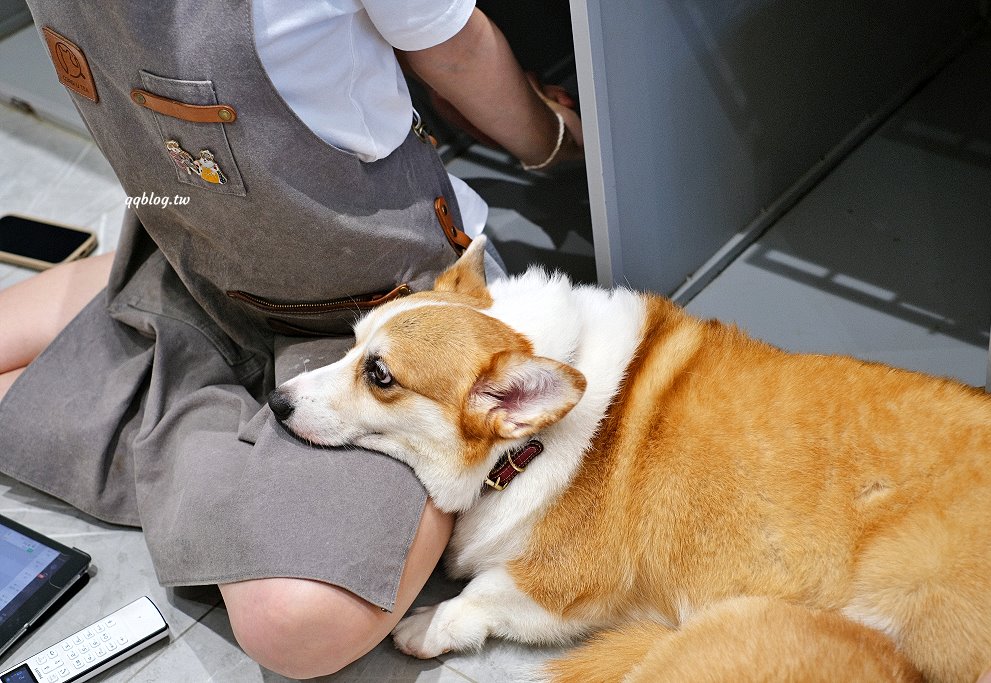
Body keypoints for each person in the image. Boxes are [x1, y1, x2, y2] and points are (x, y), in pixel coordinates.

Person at [0, 1, 582, 678]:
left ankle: (191, 428)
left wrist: (559, 141)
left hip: (385, 313)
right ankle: (234, 458)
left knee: (294, 630)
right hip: (199, 264)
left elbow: (458, 52)